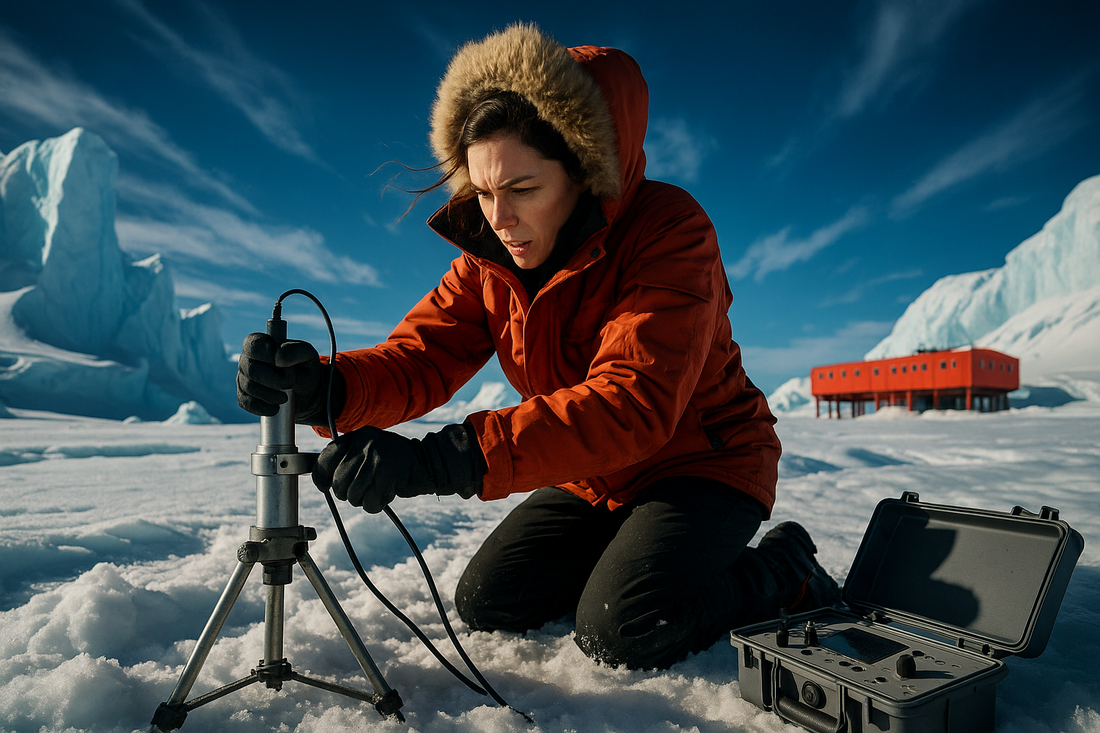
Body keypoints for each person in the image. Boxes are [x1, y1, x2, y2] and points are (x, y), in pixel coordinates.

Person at [237, 23, 840, 671]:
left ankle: (782, 567)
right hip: (593, 473)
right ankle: (633, 554)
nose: (499, 218)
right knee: (489, 600)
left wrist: (436, 461)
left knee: (625, 624)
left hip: (704, 466)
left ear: (584, 171)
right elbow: (423, 355)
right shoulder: (491, 260)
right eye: (484, 192)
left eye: (522, 190)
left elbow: (630, 403)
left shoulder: (670, 231)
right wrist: (327, 387)